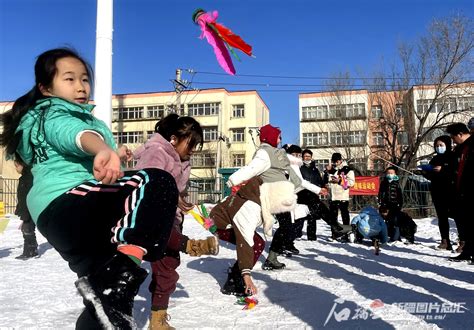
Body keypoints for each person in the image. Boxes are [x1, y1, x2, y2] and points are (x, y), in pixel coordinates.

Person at [0, 48, 179, 329]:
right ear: (46, 88)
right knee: (156, 182)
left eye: (84, 79)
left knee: (106, 305)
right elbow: (73, 134)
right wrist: (101, 147)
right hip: (69, 202)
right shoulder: (52, 113)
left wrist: (112, 153)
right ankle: (123, 274)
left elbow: (82, 144)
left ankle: (113, 290)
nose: (81, 86)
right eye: (69, 79)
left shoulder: (60, 116)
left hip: (60, 217)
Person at [133, 113, 219, 329]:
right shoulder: (157, 152)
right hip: (149, 215)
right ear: (174, 138)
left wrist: (179, 200)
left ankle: (158, 321)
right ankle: (190, 244)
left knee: (168, 267)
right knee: (157, 262)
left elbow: (172, 190)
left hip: (171, 216)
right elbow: (148, 185)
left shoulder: (183, 160)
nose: (193, 150)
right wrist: (172, 198)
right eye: (191, 144)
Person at [226, 125, 327, 270]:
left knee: (284, 226)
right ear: (271, 137)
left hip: (280, 195)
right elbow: (252, 169)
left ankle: (271, 256)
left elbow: (295, 178)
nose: (280, 140)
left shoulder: (274, 153)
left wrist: (316, 189)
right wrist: (233, 180)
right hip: (273, 195)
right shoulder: (264, 153)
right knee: (280, 225)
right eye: (278, 137)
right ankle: (256, 254)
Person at [210, 176, 297, 296]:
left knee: (258, 243)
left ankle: (237, 272)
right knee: (256, 244)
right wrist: (247, 275)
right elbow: (244, 242)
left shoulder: (261, 194)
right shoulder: (250, 208)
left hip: (228, 216)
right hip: (220, 224)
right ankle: (234, 281)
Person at [420, 135, 457, 250]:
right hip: (437, 192)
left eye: (441, 145)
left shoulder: (453, 157)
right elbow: (432, 176)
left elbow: (455, 172)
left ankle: (463, 240)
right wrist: (425, 172)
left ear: (447, 145)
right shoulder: (434, 159)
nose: (439, 147)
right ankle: (445, 241)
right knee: (442, 217)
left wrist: (443, 169)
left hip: (452, 192)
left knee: (458, 217)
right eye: (437, 146)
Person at [446, 123, 473, 262]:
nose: (453, 140)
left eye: (453, 137)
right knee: (465, 224)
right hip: (461, 192)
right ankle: (468, 251)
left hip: (470, 192)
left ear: (460, 134)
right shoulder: (461, 148)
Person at [13, 156, 38, 260]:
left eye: (17, 166)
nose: (16, 168)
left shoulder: (29, 178)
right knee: (26, 229)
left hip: (29, 208)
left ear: (22, 165)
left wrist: (26, 211)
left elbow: (27, 195)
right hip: (25, 208)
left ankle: (30, 251)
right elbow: (21, 196)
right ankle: (31, 249)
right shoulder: (24, 177)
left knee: (27, 229)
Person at [324, 153, 355, 233]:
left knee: (345, 216)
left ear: (341, 160)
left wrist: (340, 181)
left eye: (337, 161)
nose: (335, 163)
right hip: (332, 196)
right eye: (334, 161)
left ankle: (346, 233)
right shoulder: (330, 170)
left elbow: (351, 183)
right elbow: (326, 181)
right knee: (333, 216)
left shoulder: (347, 169)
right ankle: (334, 233)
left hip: (342, 196)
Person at [378, 167, 403, 241]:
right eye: (388, 173)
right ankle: (385, 236)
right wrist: (380, 202)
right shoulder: (383, 182)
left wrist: (400, 204)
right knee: (385, 220)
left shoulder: (398, 182)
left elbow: (400, 195)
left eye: (391, 173)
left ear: (395, 174)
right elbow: (380, 193)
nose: (389, 175)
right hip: (385, 205)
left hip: (395, 204)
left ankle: (396, 237)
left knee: (395, 221)